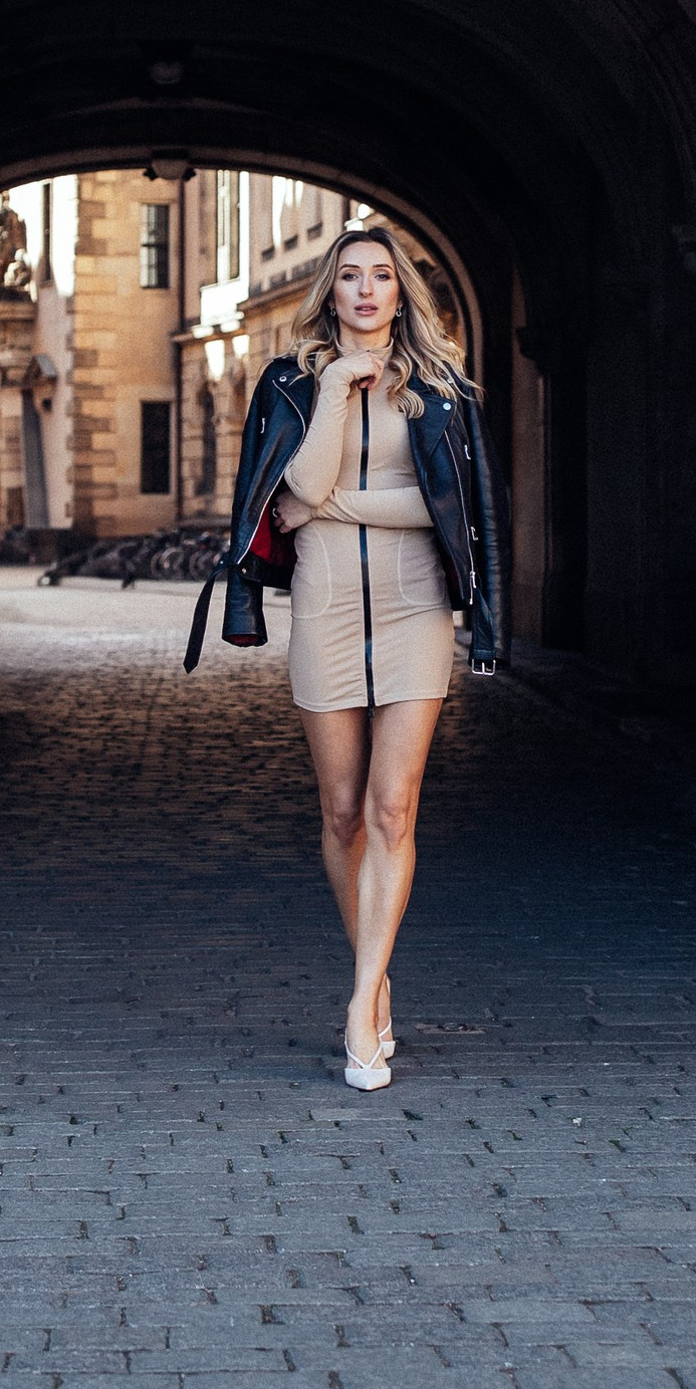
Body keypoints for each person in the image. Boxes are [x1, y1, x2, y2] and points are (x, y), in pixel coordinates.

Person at [184, 221, 508, 1091]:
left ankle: (363, 1002)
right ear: (330, 289)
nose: (367, 290)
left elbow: (450, 511)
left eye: (382, 277)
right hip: (324, 611)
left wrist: (331, 509)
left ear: (403, 292)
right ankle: (379, 969)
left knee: (391, 810)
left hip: (415, 610)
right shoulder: (291, 382)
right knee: (340, 813)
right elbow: (296, 487)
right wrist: (332, 390)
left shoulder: (443, 388)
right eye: (351, 276)